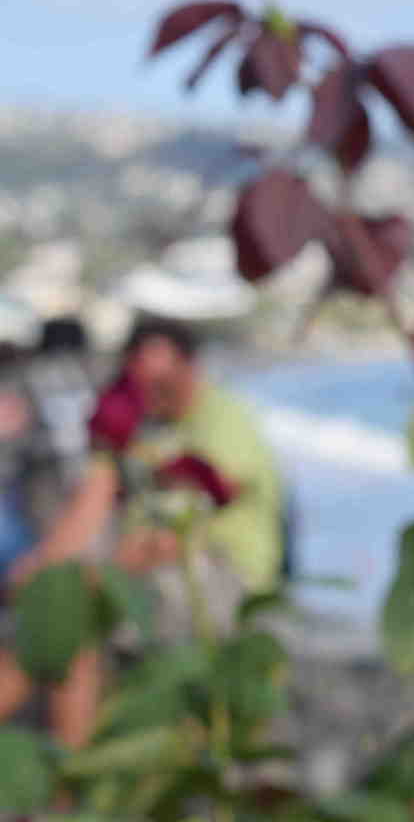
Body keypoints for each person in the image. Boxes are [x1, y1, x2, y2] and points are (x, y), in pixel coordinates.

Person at [0, 318, 283, 747]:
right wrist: (42, 565)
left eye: (163, 379)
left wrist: (90, 575)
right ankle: (68, 778)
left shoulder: (222, 417)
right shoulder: (132, 417)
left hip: (222, 572)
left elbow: (186, 531)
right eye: (143, 379)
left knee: (68, 613)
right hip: (144, 564)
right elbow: (93, 498)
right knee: (56, 609)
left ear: (190, 368)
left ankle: (69, 779)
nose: (153, 390)